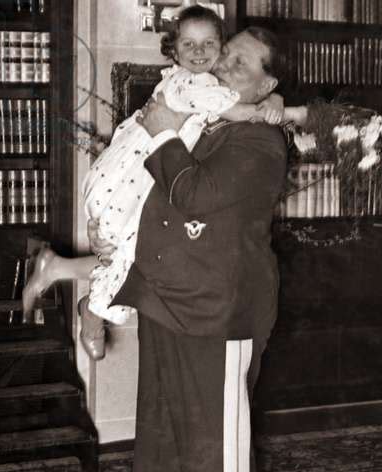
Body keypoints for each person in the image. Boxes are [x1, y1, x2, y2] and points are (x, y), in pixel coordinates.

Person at [89, 25, 300, 472]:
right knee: (159, 433)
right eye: (223, 58)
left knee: (216, 444)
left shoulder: (261, 143)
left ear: (268, 83)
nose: (223, 68)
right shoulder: (207, 120)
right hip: (166, 297)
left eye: (239, 63)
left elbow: (193, 194)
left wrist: (161, 136)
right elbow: (148, 192)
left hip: (219, 311)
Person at [21, 5, 284, 362]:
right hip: (134, 185)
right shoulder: (198, 87)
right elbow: (231, 112)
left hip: (201, 290)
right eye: (192, 46)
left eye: (214, 48)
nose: (213, 60)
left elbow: (196, 187)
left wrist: (275, 101)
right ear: (174, 51)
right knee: (128, 249)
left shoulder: (247, 130)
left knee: (126, 251)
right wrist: (282, 108)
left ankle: (68, 280)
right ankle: (93, 309)